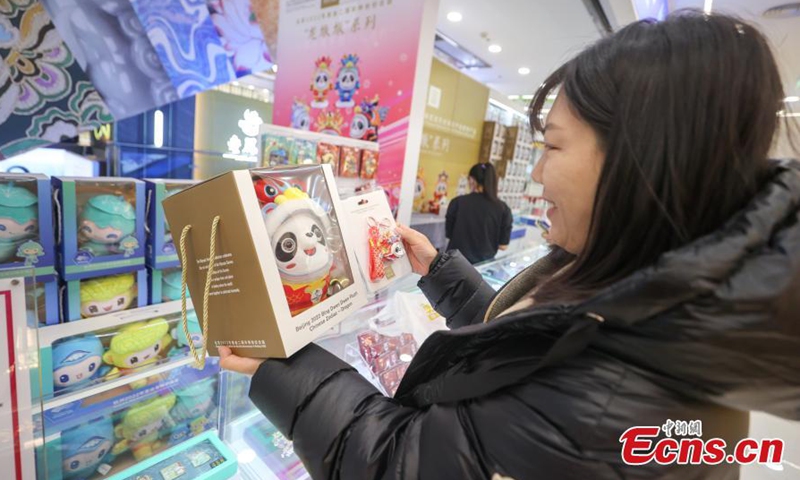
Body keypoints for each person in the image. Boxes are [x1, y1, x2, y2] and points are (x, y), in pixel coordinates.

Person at [219, 11, 800, 479]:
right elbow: (531, 355)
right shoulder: (654, 309)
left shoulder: (600, 408)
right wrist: (446, 277)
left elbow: (396, 462)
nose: (538, 173)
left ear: (637, 163)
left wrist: (289, 366)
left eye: (554, 146)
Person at [445, 163, 513, 264]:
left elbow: (449, 234)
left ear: (472, 180)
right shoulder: (503, 208)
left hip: (455, 264)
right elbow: (503, 246)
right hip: (484, 266)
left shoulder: (457, 202)